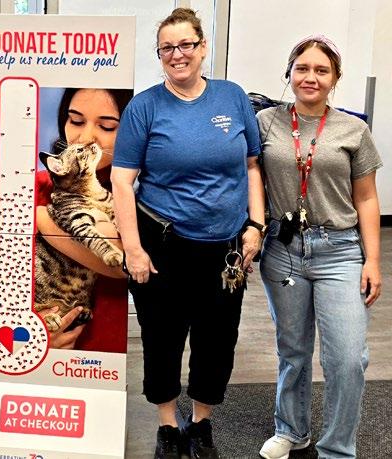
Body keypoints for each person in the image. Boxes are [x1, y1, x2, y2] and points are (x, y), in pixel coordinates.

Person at [110, 8, 265, 459]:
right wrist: (133, 249)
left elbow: (251, 166)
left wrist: (256, 225)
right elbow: (122, 180)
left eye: (185, 45)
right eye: (167, 48)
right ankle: (167, 427)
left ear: (202, 47)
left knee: (217, 340)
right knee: (162, 337)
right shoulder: (145, 107)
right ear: (159, 54)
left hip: (226, 249)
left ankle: (200, 423)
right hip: (163, 246)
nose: (177, 54)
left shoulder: (232, 97)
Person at [257, 35, 382, 459]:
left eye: (321, 70)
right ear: (289, 73)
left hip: (339, 250)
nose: (311, 77)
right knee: (293, 350)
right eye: (303, 68)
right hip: (283, 249)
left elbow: (367, 198)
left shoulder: (353, 129)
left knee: (347, 358)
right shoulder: (266, 122)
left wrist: (373, 260)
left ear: (334, 79)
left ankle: (337, 448)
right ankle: (292, 430)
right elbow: (249, 175)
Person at [0, 87, 132, 352]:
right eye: (75, 121)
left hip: (103, 363)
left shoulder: (141, 191)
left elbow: (125, 263)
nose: (85, 138)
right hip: (33, 361)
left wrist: (41, 218)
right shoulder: (35, 187)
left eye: (107, 126)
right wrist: (25, 340)